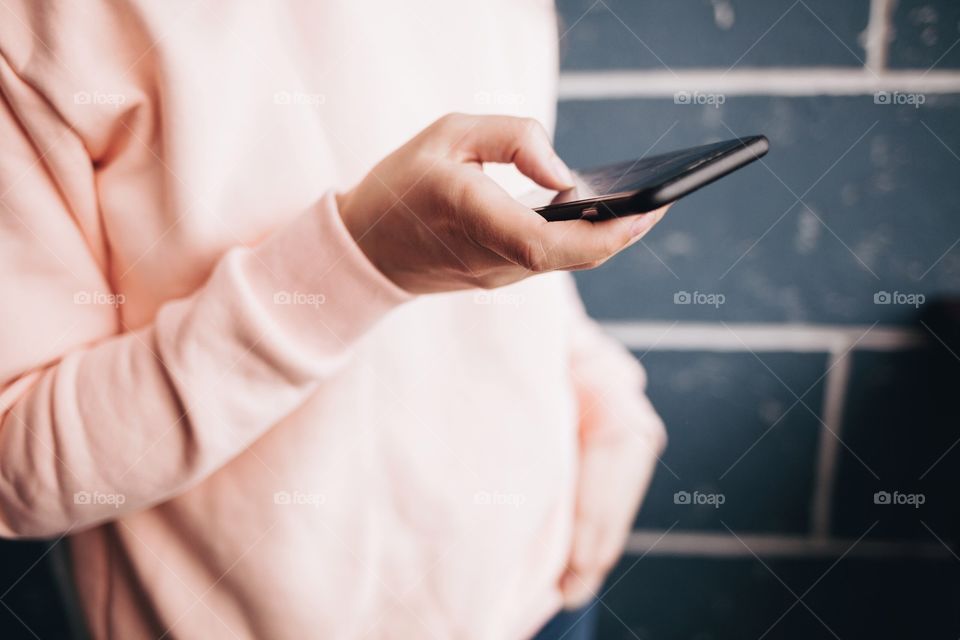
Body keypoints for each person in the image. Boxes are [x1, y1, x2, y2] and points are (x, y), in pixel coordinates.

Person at [0, 1, 668, 637]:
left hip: (540, 597)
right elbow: (14, 464)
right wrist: (359, 266)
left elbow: (505, 227)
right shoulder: (37, 24)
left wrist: (606, 404)